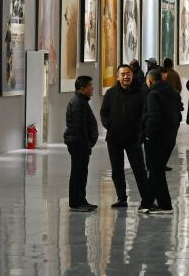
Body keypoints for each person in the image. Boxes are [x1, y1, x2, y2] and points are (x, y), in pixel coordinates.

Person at [99, 64, 148, 208]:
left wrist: (139, 130)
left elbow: (145, 114)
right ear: (117, 77)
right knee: (117, 169)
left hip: (133, 138)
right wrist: (109, 125)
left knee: (139, 169)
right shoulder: (111, 93)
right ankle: (121, 198)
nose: (126, 77)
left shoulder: (140, 93)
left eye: (128, 74)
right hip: (114, 138)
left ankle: (146, 199)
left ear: (132, 75)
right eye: (123, 74)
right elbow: (104, 113)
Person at [141, 68, 181, 214]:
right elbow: (178, 115)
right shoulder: (172, 93)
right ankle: (147, 203)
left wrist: (148, 135)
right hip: (169, 137)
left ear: (149, 80)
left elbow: (153, 117)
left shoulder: (153, 94)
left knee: (156, 171)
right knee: (156, 171)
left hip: (156, 139)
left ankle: (165, 205)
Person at [64, 75, 99, 212]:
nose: (92, 88)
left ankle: (81, 200)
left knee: (81, 173)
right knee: (78, 173)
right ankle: (76, 203)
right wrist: (87, 145)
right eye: (90, 86)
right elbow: (80, 128)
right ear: (82, 88)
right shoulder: (78, 103)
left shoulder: (81, 101)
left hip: (81, 144)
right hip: (79, 144)